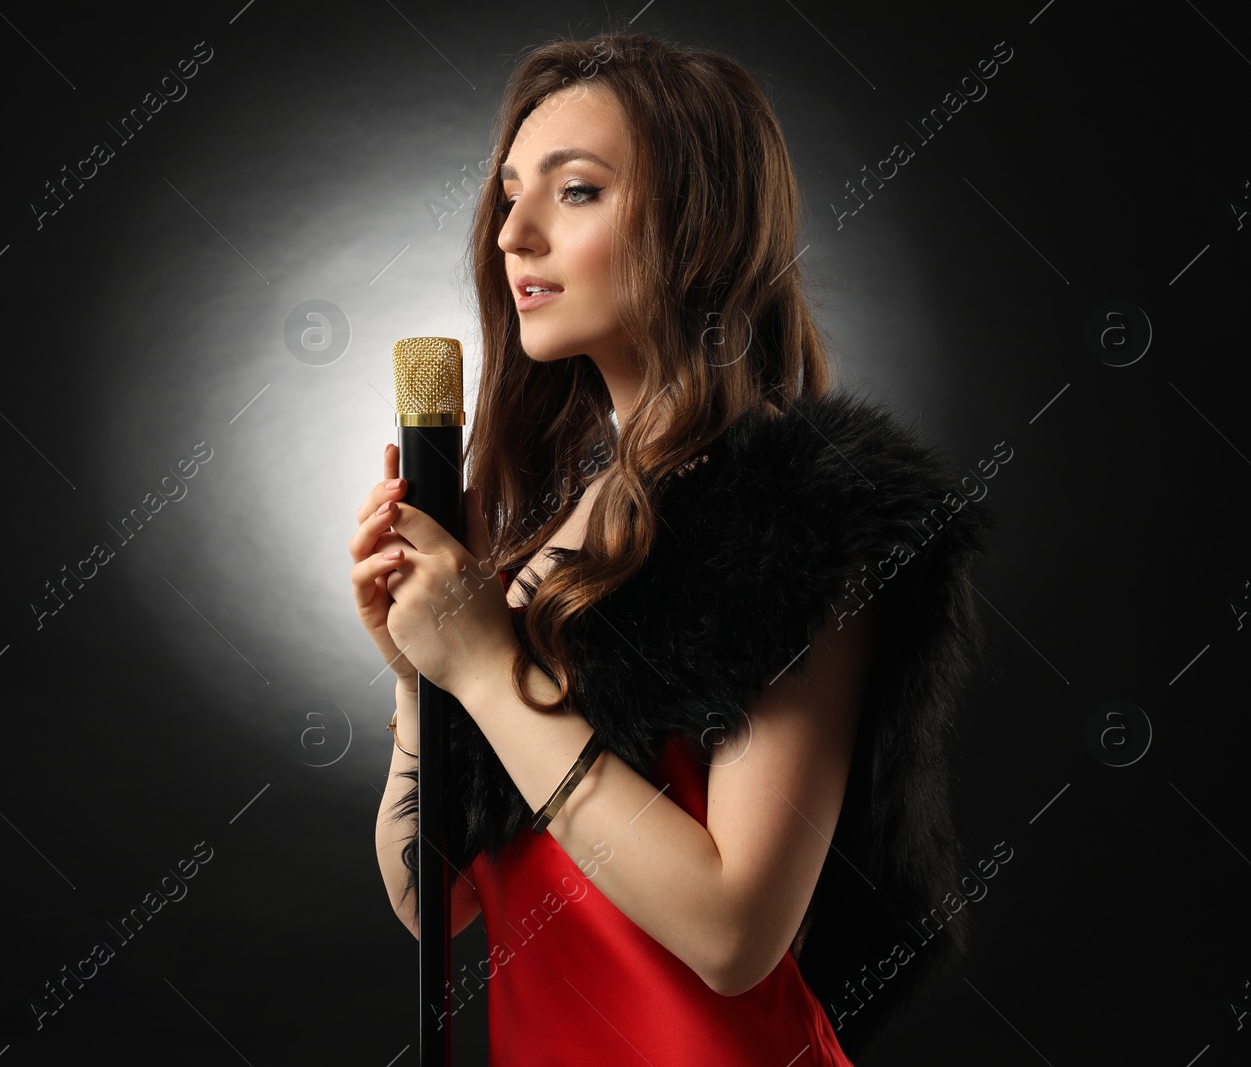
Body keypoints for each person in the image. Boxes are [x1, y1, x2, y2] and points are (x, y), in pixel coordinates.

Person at [352, 31, 998, 1065]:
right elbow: (441, 906)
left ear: (698, 228)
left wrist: (482, 666)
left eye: (574, 192)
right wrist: (417, 677)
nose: (513, 233)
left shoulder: (803, 517)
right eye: (508, 192)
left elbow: (734, 931)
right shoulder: (547, 533)